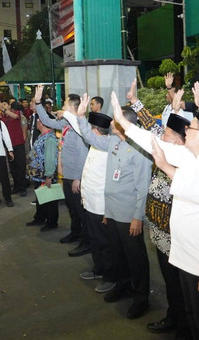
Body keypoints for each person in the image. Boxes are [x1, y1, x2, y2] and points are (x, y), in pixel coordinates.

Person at [115, 90, 199, 340]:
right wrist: (124, 122)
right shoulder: (194, 155)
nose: (187, 130)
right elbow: (153, 142)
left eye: (192, 127)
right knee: (191, 314)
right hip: (184, 255)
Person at [77, 93, 153, 319]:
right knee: (119, 256)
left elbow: (142, 188)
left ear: (125, 125)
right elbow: (91, 138)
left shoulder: (139, 151)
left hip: (129, 216)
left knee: (136, 259)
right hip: (112, 213)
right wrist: (81, 117)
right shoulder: (113, 143)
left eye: (116, 121)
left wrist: (138, 218)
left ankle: (141, 298)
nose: (111, 124)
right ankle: (122, 286)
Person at [125, 79, 190, 336]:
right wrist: (133, 101)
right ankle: (173, 317)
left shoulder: (186, 159)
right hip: (160, 234)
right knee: (170, 284)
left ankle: (184, 326)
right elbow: (153, 126)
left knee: (180, 285)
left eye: (168, 134)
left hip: (177, 238)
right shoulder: (167, 144)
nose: (161, 136)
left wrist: (176, 110)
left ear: (182, 140)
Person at [33, 85, 89, 249]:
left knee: (80, 210)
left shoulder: (80, 128)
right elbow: (47, 121)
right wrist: (37, 103)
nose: (62, 107)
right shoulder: (66, 124)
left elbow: (83, 155)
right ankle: (75, 233)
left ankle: (86, 241)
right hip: (67, 175)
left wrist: (78, 178)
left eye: (64, 105)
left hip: (76, 177)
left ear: (72, 107)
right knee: (72, 209)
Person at [76, 112, 116, 294]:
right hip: (90, 202)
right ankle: (98, 270)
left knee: (104, 242)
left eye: (90, 128)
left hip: (101, 205)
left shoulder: (107, 146)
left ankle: (110, 277)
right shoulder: (95, 145)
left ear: (95, 130)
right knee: (94, 239)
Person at [25, 118, 59, 230]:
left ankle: (51, 222)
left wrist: (49, 176)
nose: (37, 123)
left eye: (39, 121)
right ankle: (40, 217)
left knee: (50, 200)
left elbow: (50, 158)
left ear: (44, 124)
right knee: (41, 197)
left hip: (46, 175)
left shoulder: (49, 138)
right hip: (39, 175)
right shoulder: (42, 135)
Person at [0, 100, 28, 197]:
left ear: (10, 107)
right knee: (13, 168)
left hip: (19, 145)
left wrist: (5, 109)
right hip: (10, 147)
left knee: (21, 167)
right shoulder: (4, 117)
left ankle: (23, 187)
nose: (3, 106)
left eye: (5, 104)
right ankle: (16, 186)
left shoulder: (17, 113)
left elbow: (16, 117)